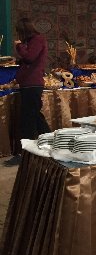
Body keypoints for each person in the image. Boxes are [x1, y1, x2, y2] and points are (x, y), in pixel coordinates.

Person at [5, 18, 50, 166]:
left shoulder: (38, 39)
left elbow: (30, 58)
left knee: (28, 121)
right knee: (35, 118)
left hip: (32, 85)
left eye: (19, 32)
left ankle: (25, 154)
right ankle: (51, 143)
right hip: (28, 85)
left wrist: (19, 46)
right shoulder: (32, 42)